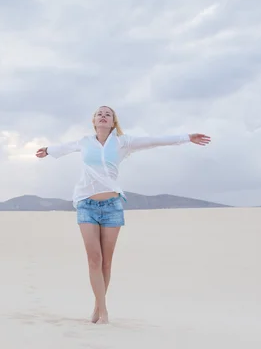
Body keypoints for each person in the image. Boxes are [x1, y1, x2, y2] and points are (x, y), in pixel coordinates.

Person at [35, 105, 211, 324]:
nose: (103, 115)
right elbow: (63, 147)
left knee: (106, 262)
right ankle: (104, 311)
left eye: (108, 114)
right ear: (94, 121)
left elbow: (155, 140)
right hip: (86, 205)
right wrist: (48, 150)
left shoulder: (123, 142)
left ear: (113, 121)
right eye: (99, 113)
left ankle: (97, 308)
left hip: (112, 207)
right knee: (94, 260)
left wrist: (187, 137)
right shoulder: (84, 142)